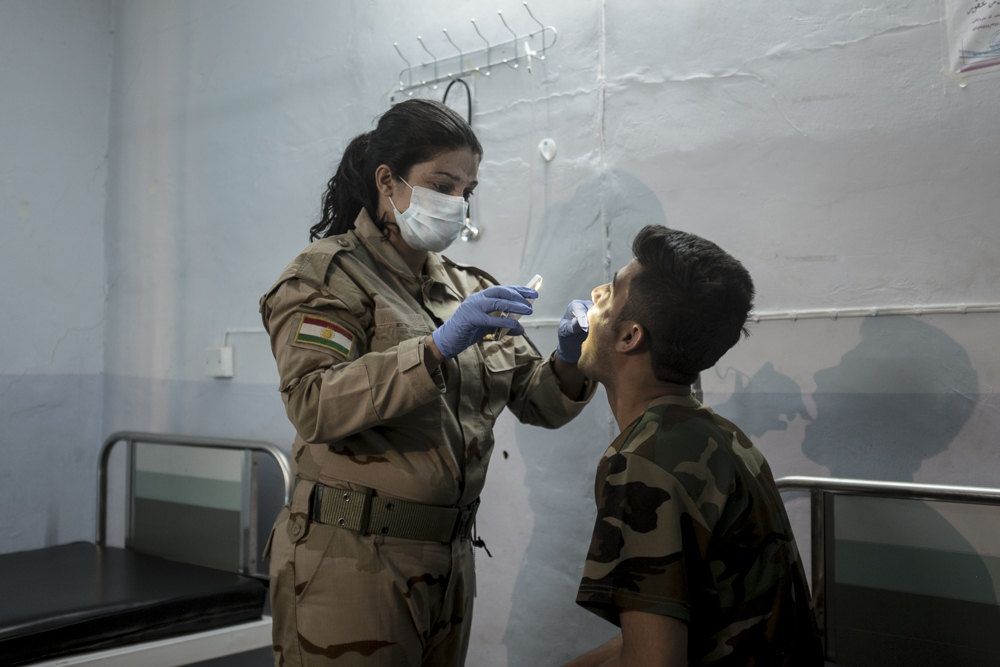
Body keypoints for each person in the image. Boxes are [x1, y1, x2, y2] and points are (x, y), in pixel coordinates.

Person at [259, 98, 596, 667]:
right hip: (351, 559)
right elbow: (314, 404)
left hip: (448, 557)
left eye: (467, 190)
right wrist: (436, 348)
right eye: (443, 185)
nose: (458, 203)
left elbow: (543, 403)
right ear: (387, 181)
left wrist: (570, 356)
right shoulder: (326, 278)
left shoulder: (469, 288)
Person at [563, 226, 822, 667]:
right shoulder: (715, 433)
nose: (595, 292)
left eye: (610, 291)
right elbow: (663, 631)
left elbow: (654, 661)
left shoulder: (642, 463)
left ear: (629, 337)